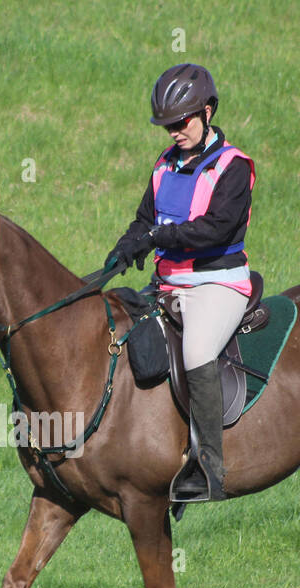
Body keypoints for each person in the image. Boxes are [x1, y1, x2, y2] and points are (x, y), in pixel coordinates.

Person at [105, 63, 256, 502]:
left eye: (182, 121)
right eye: (167, 124)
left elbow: (214, 230)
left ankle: (209, 465)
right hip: (168, 285)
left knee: (196, 350)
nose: (174, 131)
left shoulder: (233, 167)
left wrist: (156, 237)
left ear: (208, 111)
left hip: (218, 285)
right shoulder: (164, 165)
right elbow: (144, 220)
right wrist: (126, 246)